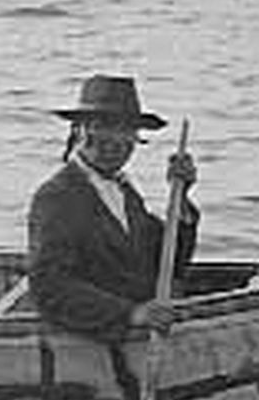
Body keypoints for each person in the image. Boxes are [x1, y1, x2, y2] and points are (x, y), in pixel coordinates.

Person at [26, 75, 199, 341]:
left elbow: (168, 260)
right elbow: (50, 287)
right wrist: (130, 314)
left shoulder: (125, 192)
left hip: (141, 337)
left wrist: (181, 198)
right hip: (98, 340)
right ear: (80, 131)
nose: (116, 140)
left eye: (126, 130)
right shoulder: (56, 197)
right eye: (103, 127)